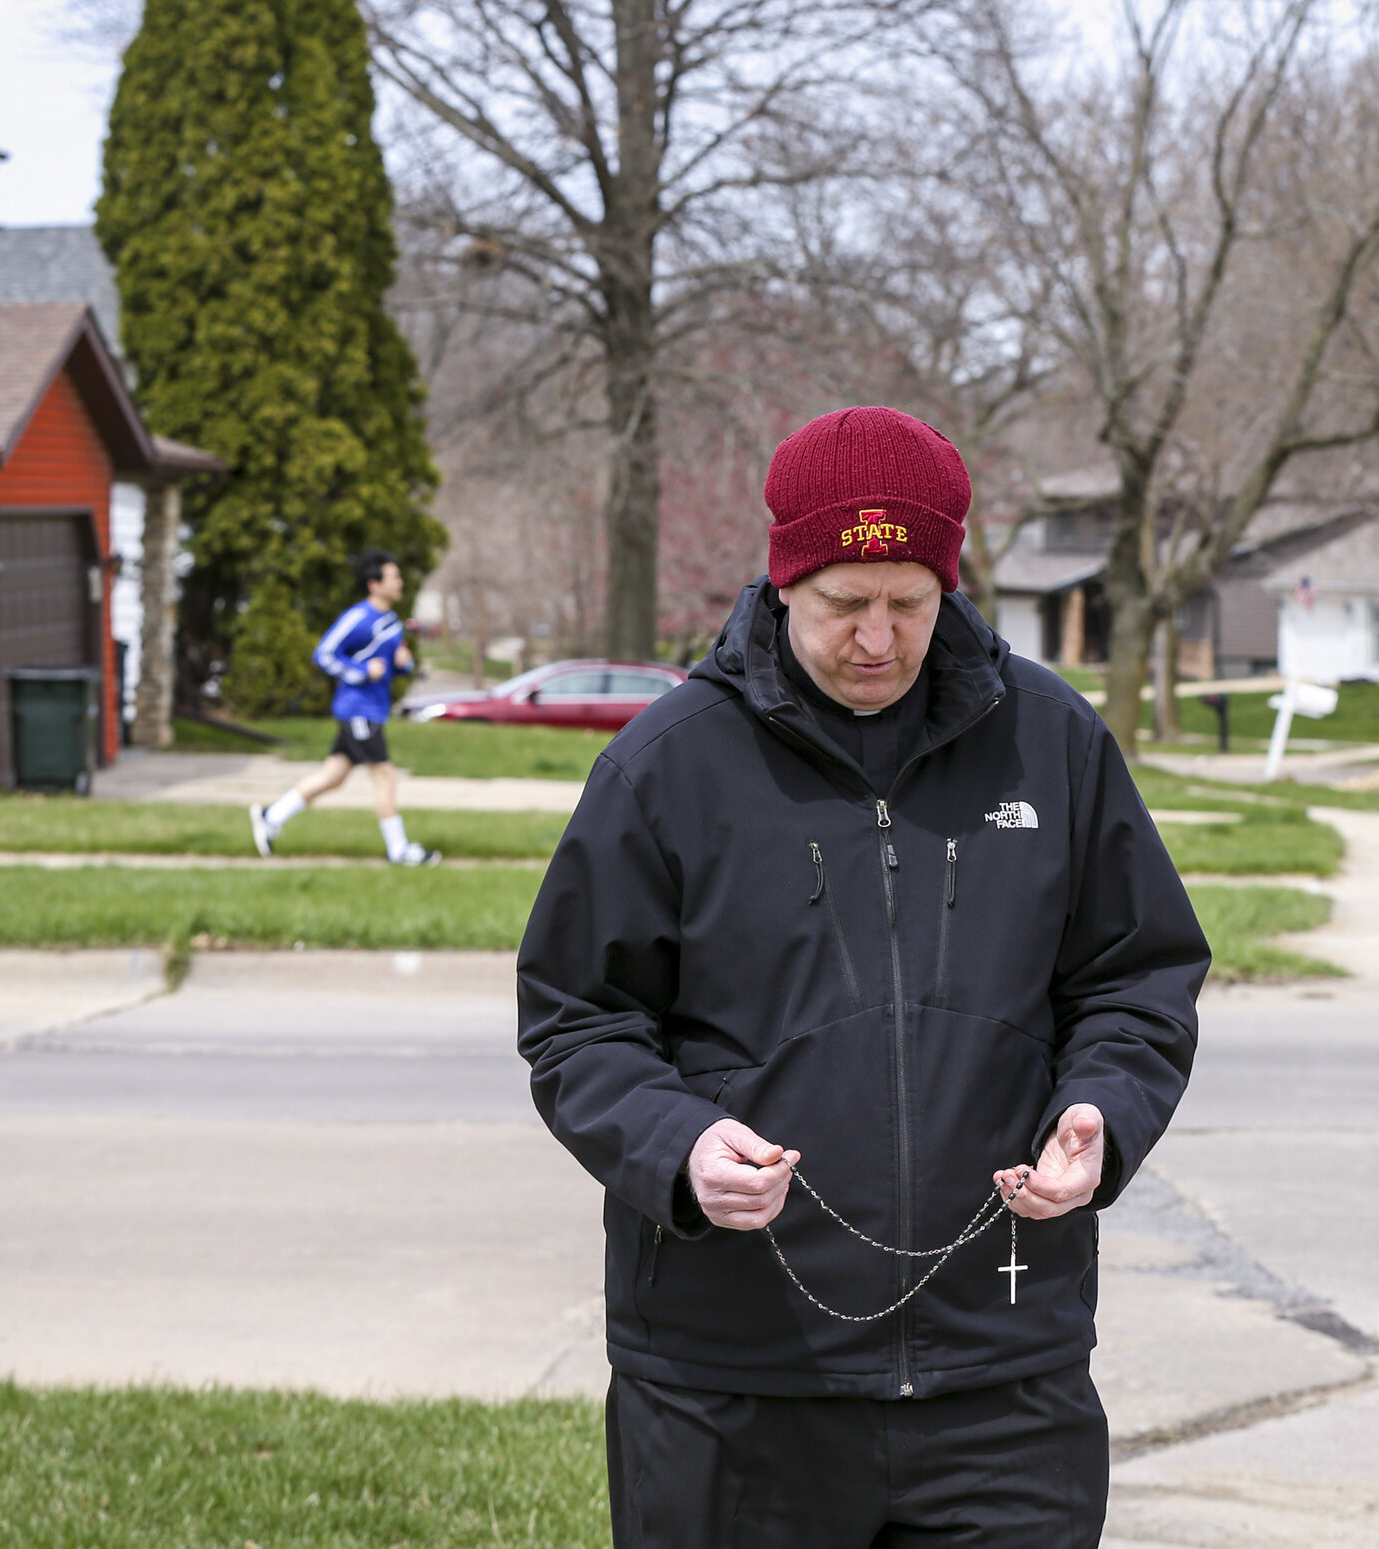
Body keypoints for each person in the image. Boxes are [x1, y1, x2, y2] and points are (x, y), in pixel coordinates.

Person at [517, 406, 1208, 1546]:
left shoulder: (1053, 739)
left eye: (911, 605)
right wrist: (677, 1148)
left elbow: (1136, 977)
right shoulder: (663, 765)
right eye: (845, 603)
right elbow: (578, 1023)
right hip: (731, 1379)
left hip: (1004, 1375)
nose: (878, 639)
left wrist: (1104, 1109)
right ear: (784, 578)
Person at [249, 549, 440, 866]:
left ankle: (271, 816)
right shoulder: (358, 617)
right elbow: (324, 653)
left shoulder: (391, 622)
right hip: (357, 710)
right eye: (394, 577)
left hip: (373, 709)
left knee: (333, 776)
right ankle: (400, 850)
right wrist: (362, 672)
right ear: (374, 584)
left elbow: (393, 664)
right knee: (386, 776)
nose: (400, 582)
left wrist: (404, 665)